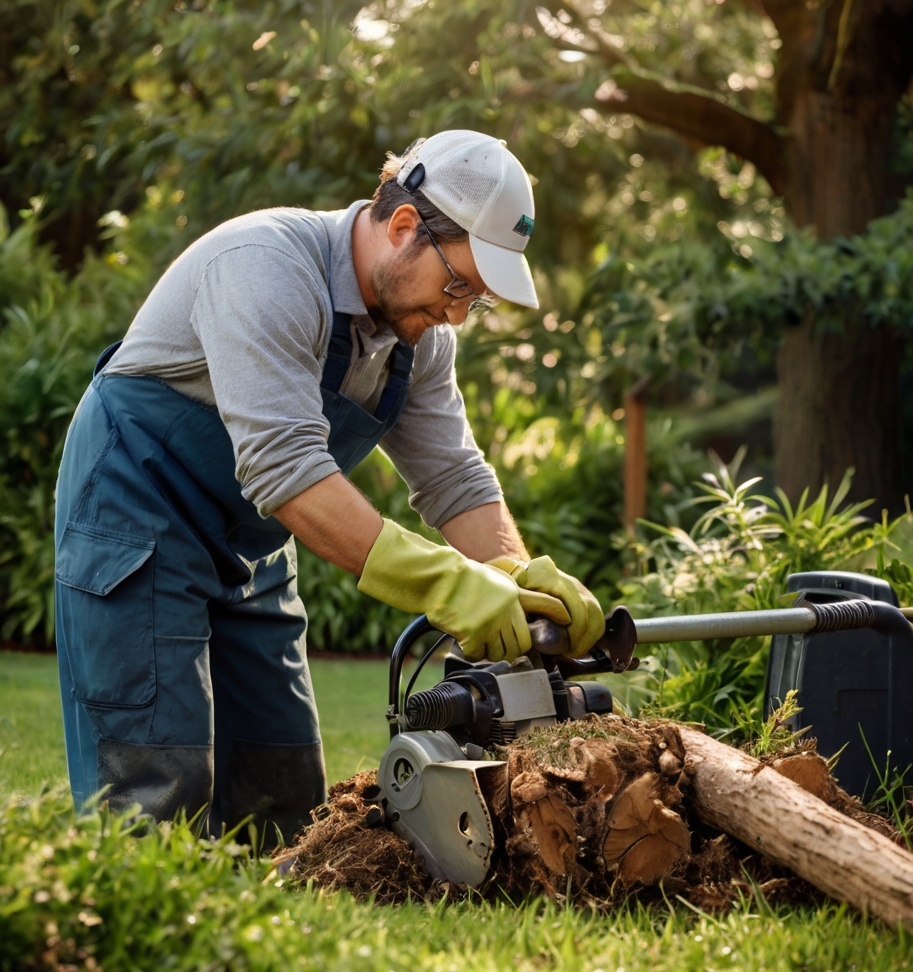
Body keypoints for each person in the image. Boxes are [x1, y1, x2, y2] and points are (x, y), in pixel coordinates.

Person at [53, 129, 604, 845]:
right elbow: (285, 469)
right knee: (154, 786)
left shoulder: (419, 337)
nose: (459, 314)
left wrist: (516, 577)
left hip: (248, 545)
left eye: (479, 300)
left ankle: (266, 954)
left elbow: (453, 475)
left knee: (282, 789)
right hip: (137, 512)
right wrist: (447, 584)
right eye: (459, 285)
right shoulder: (266, 267)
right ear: (404, 227)